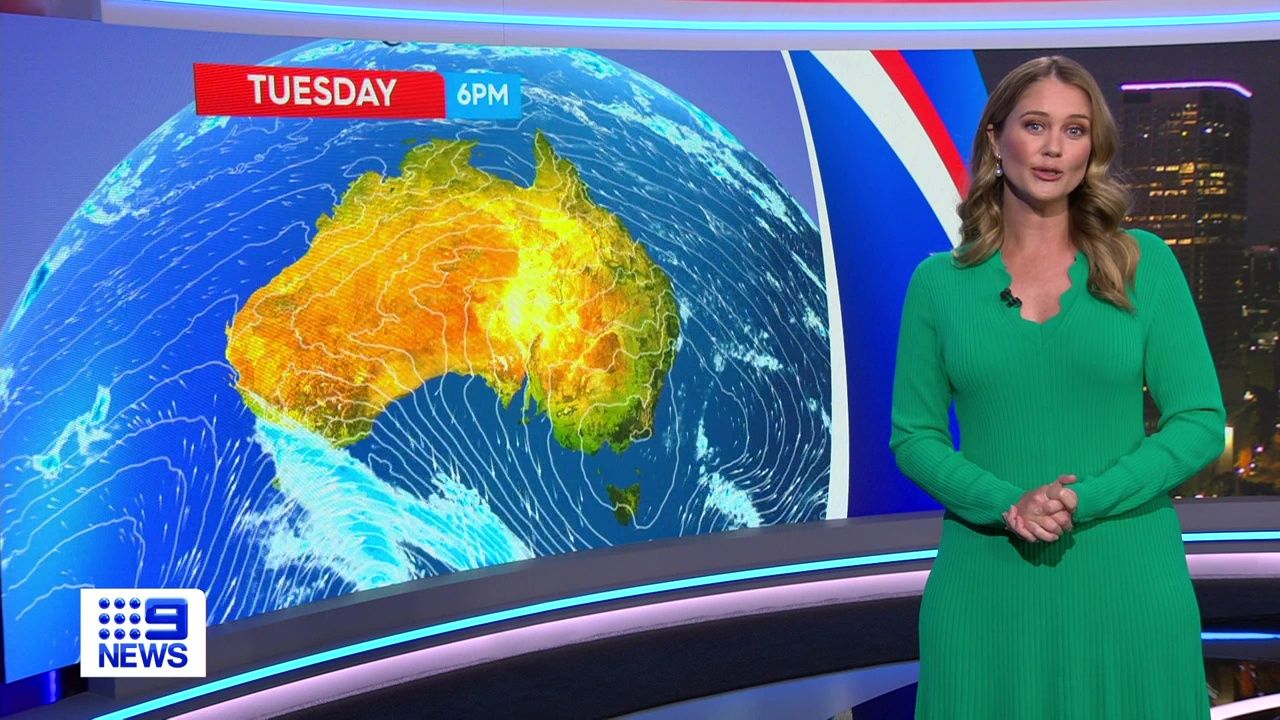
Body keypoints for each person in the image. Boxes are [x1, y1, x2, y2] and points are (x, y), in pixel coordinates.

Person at [889, 56, 1226, 719]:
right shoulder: (938, 284)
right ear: (996, 139)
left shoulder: (1144, 264)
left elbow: (1198, 421)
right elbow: (914, 436)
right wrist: (1007, 504)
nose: (1053, 148)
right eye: (1035, 125)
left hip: (1126, 579)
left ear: (1090, 149)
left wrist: (1083, 499)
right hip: (987, 587)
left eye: (1074, 130)